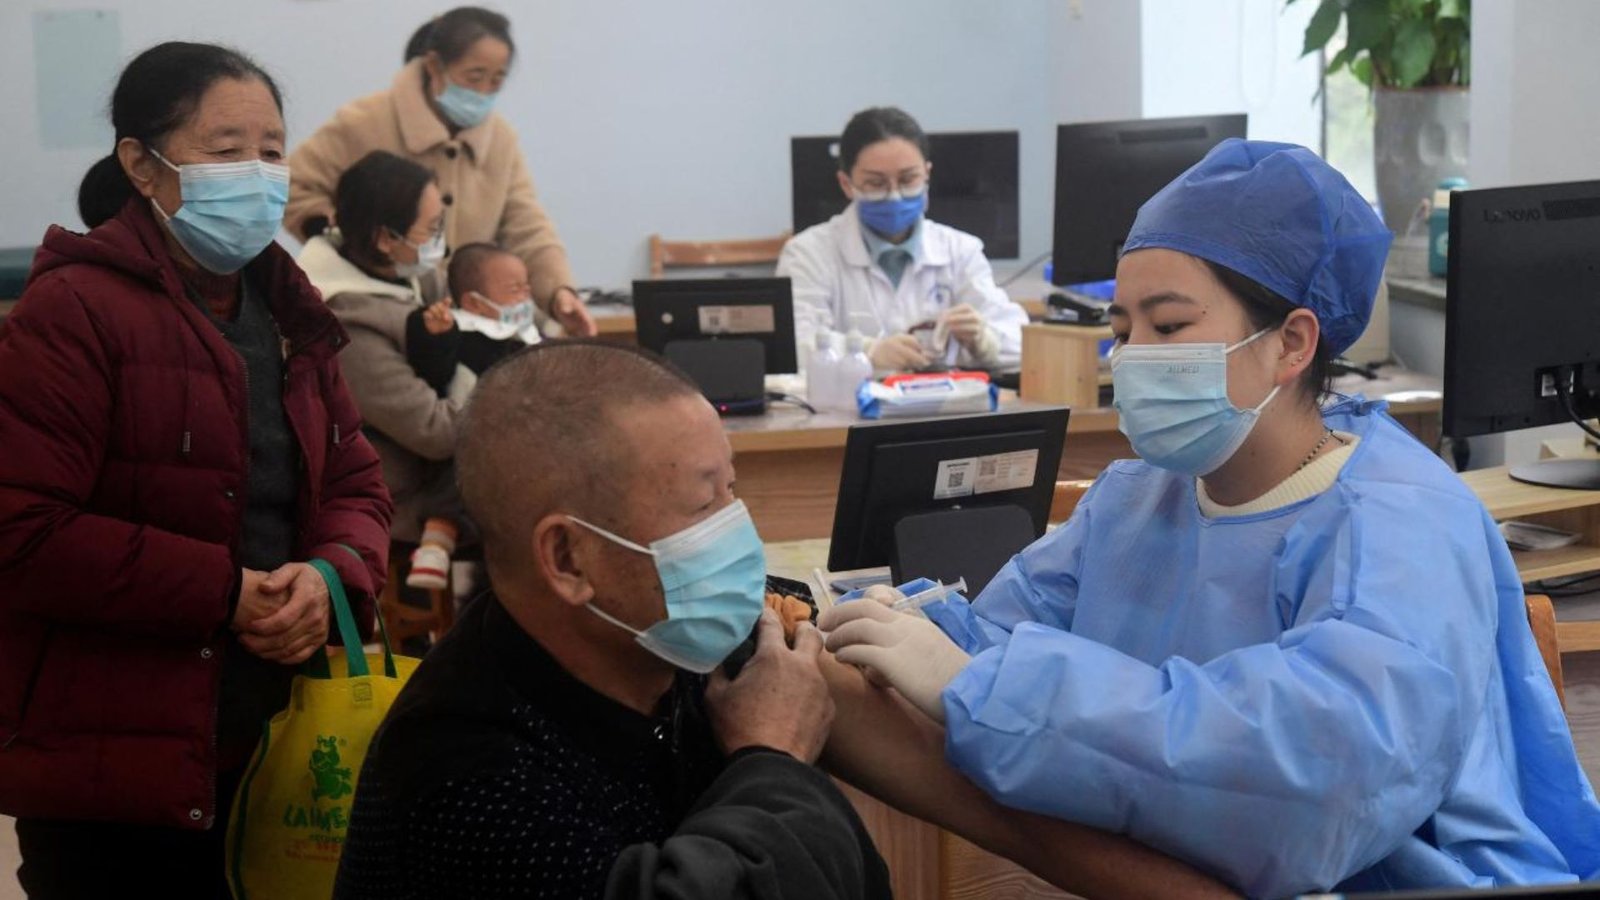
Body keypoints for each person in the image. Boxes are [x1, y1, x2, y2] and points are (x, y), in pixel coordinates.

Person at [819, 139, 1600, 897]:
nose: (1131, 358)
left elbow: (1314, 785)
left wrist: (980, 686)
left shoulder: (1402, 525)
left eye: (1167, 327)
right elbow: (1009, 635)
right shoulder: (1139, 496)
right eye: (1121, 330)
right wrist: (912, 627)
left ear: (1293, 342)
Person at [0, 42, 392, 897]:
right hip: (114, 765)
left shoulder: (291, 313)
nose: (256, 172)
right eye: (225, 150)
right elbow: (22, 532)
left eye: (272, 150)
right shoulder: (69, 312)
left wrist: (330, 578)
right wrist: (223, 593)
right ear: (142, 164)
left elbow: (358, 485)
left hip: (282, 747)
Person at [334, 341, 892, 899]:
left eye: (732, 489)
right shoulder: (470, 785)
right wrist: (773, 760)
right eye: (703, 506)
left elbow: (899, 748)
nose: (738, 530)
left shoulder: (669, 631)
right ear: (568, 559)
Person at [285, 6, 596, 338]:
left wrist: (558, 290)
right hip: (382, 312)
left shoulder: (501, 140)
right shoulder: (364, 122)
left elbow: (527, 225)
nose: (484, 92)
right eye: (474, 76)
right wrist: (356, 242)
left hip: (475, 317)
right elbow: (295, 185)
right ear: (434, 66)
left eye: (496, 81)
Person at [298, 151, 476, 589]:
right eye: (431, 230)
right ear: (385, 239)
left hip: (437, 460)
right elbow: (434, 431)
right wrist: (487, 388)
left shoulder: (407, 271)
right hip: (393, 491)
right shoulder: (343, 317)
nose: (442, 244)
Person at [776, 106, 1029, 373]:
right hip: (843, 411)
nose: (895, 196)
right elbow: (793, 345)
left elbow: (1023, 345)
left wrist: (985, 342)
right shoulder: (808, 254)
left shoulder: (960, 251)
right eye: (876, 183)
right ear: (846, 184)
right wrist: (868, 352)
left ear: (927, 174)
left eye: (908, 179)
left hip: (943, 409)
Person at [401, 241, 542, 588]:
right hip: (470, 439)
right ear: (474, 303)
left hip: (526, 443)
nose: (525, 296)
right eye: (514, 290)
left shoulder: (528, 336)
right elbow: (433, 372)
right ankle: (436, 542)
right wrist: (435, 338)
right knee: (462, 467)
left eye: (527, 286)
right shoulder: (459, 335)